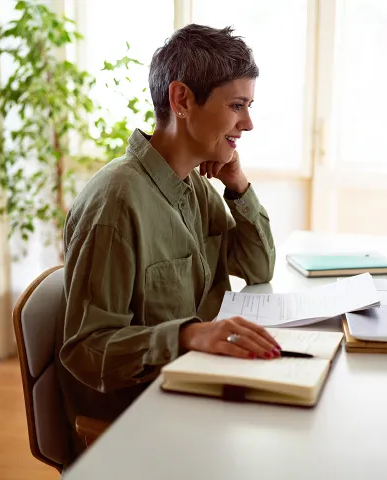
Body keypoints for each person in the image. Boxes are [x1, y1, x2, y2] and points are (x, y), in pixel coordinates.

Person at [55, 24, 279, 466]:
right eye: (237, 106)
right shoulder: (116, 203)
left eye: (248, 106)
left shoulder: (192, 185)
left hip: (190, 391)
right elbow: (86, 351)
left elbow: (259, 266)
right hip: (143, 421)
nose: (248, 123)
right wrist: (190, 335)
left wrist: (236, 183)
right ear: (181, 100)